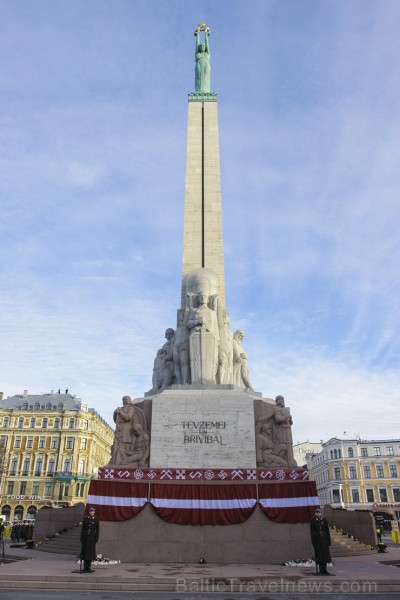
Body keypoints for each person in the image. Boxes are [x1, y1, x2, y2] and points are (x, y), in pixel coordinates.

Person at [310, 507, 332, 575]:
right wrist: (313, 542)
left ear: (320, 513)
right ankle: (321, 569)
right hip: (318, 540)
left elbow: (327, 531)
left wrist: (329, 541)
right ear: (315, 513)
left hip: (324, 540)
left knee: (325, 554)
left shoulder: (324, 520)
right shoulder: (313, 521)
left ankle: (325, 569)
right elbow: (312, 532)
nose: (318, 513)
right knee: (319, 555)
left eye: (319, 512)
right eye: (317, 512)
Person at [80, 507, 100, 573]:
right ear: (89, 512)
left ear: (94, 512)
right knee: (85, 552)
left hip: (92, 538)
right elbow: (83, 529)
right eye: (90, 511)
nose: (91, 512)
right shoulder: (86, 519)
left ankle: (89, 566)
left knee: (90, 552)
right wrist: (81, 538)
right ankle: (85, 565)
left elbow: (97, 530)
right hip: (86, 537)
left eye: (92, 511)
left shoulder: (96, 519)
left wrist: (96, 538)